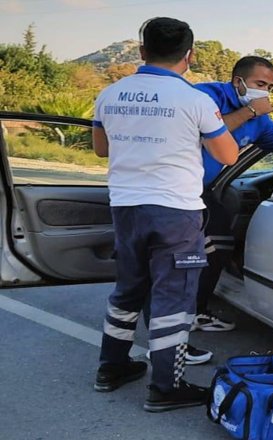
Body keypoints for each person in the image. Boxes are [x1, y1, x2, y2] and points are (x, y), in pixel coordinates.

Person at [92, 17, 238, 412]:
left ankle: (112, 367)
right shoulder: (196, 100)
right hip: (176, 213)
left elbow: (101, 149)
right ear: (189, 56)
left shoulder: (110, 94)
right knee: (173, 298)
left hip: (126, 208)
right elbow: (228, 156)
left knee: (128, 289)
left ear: (142, 52)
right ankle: (165, 386)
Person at [187, 56, 273, 335]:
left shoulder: (260, 120)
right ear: (238, 82)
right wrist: (250, 111)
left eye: (271, 87)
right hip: (174, 188)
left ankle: (193, 310)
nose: (265, 92)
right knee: (202, 246)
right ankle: (183, 317)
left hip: (200, 190)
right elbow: (203, 130)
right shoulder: (205, 97)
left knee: (218, 241)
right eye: (260, 84)